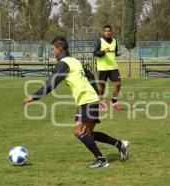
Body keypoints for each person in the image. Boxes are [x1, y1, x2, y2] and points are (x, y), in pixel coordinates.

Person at [23, 36, 129, 168]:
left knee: (79, 132)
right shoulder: (75, 61)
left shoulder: (64, 64)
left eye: (53, 49)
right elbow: (89, 75)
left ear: (60, 48)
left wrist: (34, 97)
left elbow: (51, 83)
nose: (53, 52)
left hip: (87, 100)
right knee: (88, 134)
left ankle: (101, 160)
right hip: (88, 99)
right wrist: (96, 94)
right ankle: (120, 144)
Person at [94, 25, 122, 111]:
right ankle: (100, 102)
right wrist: (103, 52)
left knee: (118, 83)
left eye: (109, 31)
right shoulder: (100, 41)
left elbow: (115, 52)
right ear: (103, 32)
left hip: (113, 66)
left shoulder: (114, 41)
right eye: (106, 31)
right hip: (103, 67)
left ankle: (114, 102)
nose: (108, 32)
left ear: (111, 32)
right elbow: (95, 53)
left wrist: (117, 54)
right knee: (102, 86)